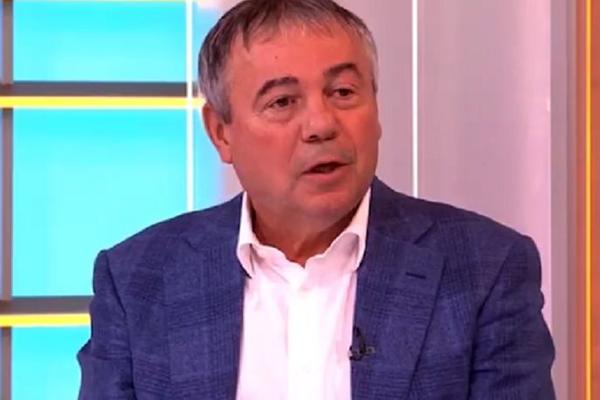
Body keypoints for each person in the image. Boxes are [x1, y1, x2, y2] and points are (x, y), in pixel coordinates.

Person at [77, 0, 555, 398]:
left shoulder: (484, 268)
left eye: (343, 92)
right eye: (283, 101)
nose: (322, 125)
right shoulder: (138, 279)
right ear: (221, 132)